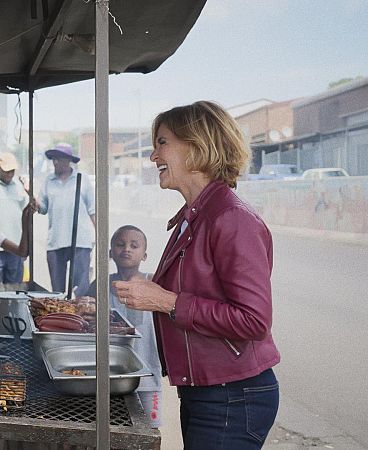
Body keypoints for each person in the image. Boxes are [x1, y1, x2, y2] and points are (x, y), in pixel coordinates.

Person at [113, 101, 280, 449]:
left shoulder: (231, 218)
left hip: (233, 395)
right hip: (208, 391)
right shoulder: (195, 216)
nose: (153, 156)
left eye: (162, 143)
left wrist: (165, 300)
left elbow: (253, 320)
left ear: (197, 146)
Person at [107, 225, 162, 428]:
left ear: (145, 255)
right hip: (111, 375)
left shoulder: (154, 282)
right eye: (120, 244)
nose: (126, 249)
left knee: (148, 430)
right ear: (111, 252)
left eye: (134, 245)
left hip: (148, 374)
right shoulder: (102, 284)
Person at [35, 143, 96, 295]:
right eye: (54, 159)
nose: (55, 162)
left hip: (80, 242)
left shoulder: (82, 179)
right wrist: (33, 201)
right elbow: (42, 208)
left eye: (59, 158)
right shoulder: (49, 181)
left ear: (68, 160)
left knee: (80, 289)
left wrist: (102, 240)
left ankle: (80, 318)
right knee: (57, 292)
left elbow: (93, 211)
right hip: (55, 241)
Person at [0, 152, 30, 284]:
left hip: (16, 247)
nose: (10, 174)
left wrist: (29, 190)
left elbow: (29, 212)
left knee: (14, 289)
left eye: (12, 171)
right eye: (7, 171)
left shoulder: (19, 187)